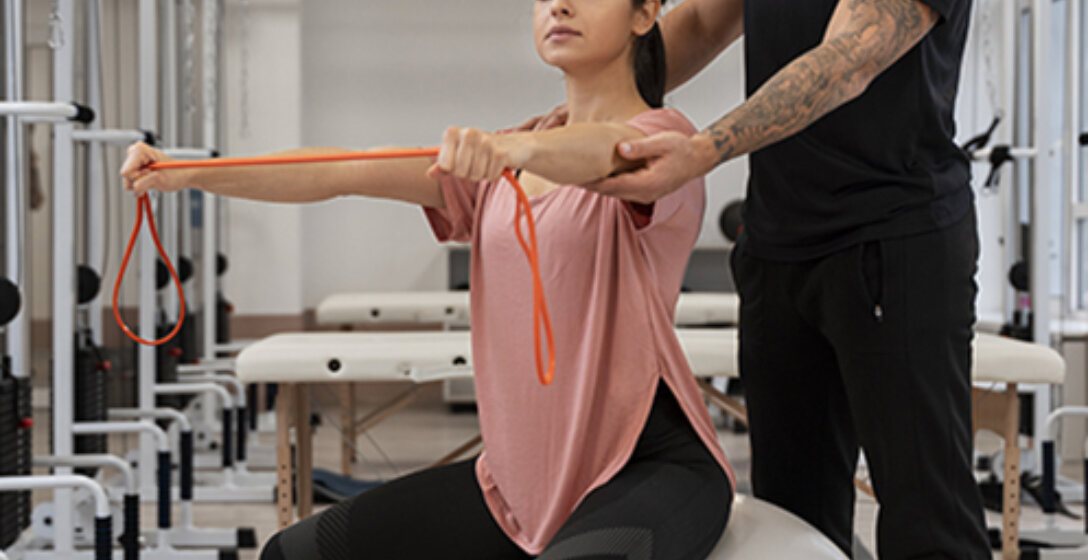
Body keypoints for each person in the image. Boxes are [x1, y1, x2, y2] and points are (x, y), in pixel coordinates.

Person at [121, 1, 735, 558]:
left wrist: (516, 152)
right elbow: (342, 170)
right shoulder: (508, 158)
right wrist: (187, 173)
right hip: (516, 490)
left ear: (644, 13)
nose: (560, 6)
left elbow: (608, 151)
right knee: (293, 554)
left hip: (651, 467)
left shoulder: (665, 142)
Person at [576, 0, 989, 558]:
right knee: (791, 520)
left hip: (893, 237)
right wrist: (582, 119)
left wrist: (703, 150)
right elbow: (701, 23)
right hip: (777, 244)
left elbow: (846, 61)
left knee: (928, 520)